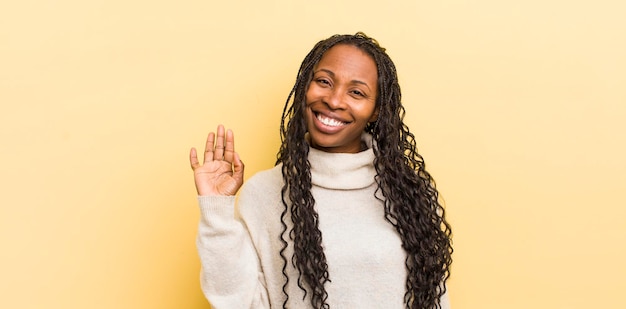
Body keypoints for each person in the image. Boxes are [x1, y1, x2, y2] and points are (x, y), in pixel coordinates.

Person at [189, 32, 453, 309]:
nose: (335, 100)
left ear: (376, 111)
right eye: (324, 82)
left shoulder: (409, 194)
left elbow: (435, 299)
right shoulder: (265, 193)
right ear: (306, 86)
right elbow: (239, 302)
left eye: (357, 92)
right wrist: (216, 211)